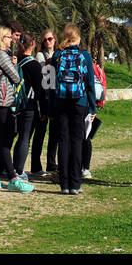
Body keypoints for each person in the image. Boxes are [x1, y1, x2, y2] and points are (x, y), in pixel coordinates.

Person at [0, 25, 33, 193]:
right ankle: (13, 178)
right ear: (1, 38)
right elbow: (16, 77)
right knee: (4, 140)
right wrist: (15, 64)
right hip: (3, 102)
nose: (11, 40)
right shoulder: (1, 55)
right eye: (8, 37)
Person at [49, 24, 97, 195]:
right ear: (78, 37)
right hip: (80, 102)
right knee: (77, 142)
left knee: (63, 142)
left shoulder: (57, 55)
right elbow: (90, 82)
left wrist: (51, 105)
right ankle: (76, 184)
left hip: (60, 102)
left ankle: (64, 184)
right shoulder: (85, 56)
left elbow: (49, 82)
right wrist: (92, 106)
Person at [11, 32, 45, 180]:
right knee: (25, 138)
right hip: (29, 105)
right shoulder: (34, 64)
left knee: (17, 137)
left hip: (15, 104)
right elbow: (40, 89)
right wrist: (44, 109)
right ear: (33, 44)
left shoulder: (16, 61)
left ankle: (12, 167)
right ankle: (19, 170)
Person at [30, 29, 59, 179]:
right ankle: (36, 165)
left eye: (50, 39)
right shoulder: (41, 55)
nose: (48, 42)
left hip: (55, 96)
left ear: (55, 39)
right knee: (40, 131)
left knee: (54, 133)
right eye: (45, 40)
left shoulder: (59, 53)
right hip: (43, 96)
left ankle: (51, 162)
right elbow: (42, 73)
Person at [81, 57, 107, 179]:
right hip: (87, 104)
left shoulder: (84, 62)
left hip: (82, 103)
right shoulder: (88, 61)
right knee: (85, 136)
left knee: (82, 137)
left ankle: (83, 168)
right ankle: (84, 168)